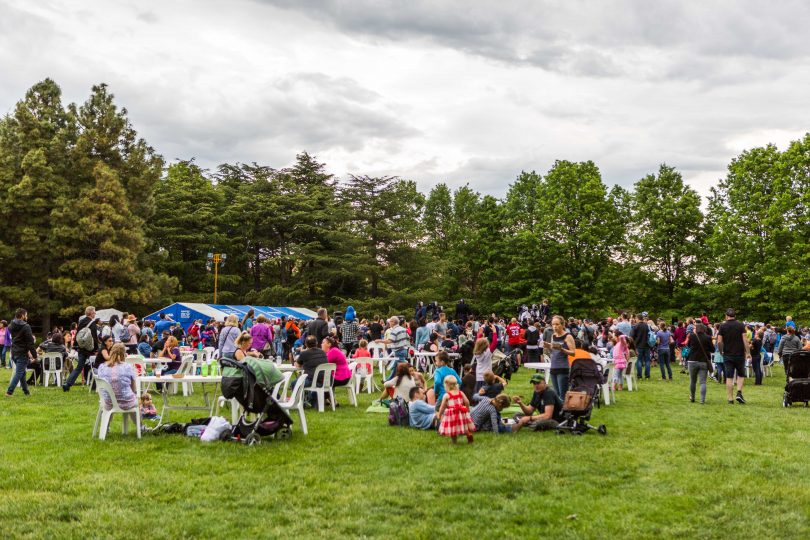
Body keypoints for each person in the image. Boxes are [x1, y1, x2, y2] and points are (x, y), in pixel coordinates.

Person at [717, 308, 751, 405]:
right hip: (739, 354)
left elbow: (719, 341)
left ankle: (730, 399)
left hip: (727, 354)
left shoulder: (722, 326)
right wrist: (748, 352)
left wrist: (721, 351)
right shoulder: (740, 325)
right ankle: (739, 392)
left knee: (729, 377)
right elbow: (745, 340)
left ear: (726, 316)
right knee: (740, 375)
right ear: (734, 316)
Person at [63, 306, 99, 392]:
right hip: (90, 349)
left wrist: (75, 346)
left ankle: (68, 383)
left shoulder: (81, 322)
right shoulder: (92, 324)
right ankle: (94, 385)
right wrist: (97, 349)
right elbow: (94, 338)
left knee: (79, 368)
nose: (95, 313)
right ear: (90, 313)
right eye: (94, 312)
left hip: (81, 348)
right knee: (95, 366)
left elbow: (78, 335)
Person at [96, 343, 138, 410]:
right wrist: (135, 394)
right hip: (127, 402)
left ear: (111, 352)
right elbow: (133, 387)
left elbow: (100, 386)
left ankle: (107, 419)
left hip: (108, 402)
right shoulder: (128, 367)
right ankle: (137, 420)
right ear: (124, 354)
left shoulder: (102, 367)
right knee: (137, 402)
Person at [5, 309, 37, 397]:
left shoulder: (10, 325)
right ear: (22, 315)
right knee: (19, 373)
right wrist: (35, 356)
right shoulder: (26, 327)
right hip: (22, 353)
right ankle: (9, 392)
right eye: (26, 315)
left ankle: (26, 392)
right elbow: (30, 343)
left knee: (22, 372)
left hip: (14, 352)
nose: (27, 317)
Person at [437, 375, 475, 444]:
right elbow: (467, 401)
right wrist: (467, 409)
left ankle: (454, 442)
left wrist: (439, 414)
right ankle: (468, 435)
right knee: (464, 425)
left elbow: (442, 407)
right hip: (461, 412)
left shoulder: (446, 395)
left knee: (453, 428)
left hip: (452, 414)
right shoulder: (460, 393)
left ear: (446, 385)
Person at [295, 335, 328, 406]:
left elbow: (298, 365)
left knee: (295, 383)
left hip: (313, 381)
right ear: (316, 343)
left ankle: (301, 403)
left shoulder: (304, 353)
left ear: (306, 344)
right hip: (325, 380)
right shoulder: (322, 352)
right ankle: (311, 401)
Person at [687, 323, 715, 403]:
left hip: (692, 360)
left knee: (692, 381)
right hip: (703, 361)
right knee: (703, 382)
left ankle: (692, 397)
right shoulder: (708, 337)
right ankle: (702, 400)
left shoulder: (692, 336)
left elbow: (688, 346)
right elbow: (712, 349)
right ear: (704, 329)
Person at [548, 315, 576, 397]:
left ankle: (564, 409)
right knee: (556, 394)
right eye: (553, 324)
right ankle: (558, 409)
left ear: (563, 325)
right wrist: (548, 346)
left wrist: (562, 349)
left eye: (557, 324)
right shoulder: (553, 335)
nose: (555, 327)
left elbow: (573, 352)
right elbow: (553, 351)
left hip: (563, 367)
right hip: (553, 366)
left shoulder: (568, 336)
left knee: (563, 394)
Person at [630, 315, 652, 380]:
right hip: (646, 345)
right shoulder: (646, 326)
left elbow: (631, 336)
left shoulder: (635, 326)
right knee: (647, 361)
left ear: (637, 318)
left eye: (636, 318)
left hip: (638, 345)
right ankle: (647, 376)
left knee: (639, 360)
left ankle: (639, 376)